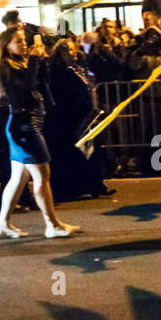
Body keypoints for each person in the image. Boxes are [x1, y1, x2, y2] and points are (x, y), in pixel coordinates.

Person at [0, 26, 79, 238]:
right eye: (18, 41)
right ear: (7, 46)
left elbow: (42, 84)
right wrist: (34, 61)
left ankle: (3, 223)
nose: (24, 44)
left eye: (24, 41)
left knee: (18, 178)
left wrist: (41, 61)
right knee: (42, 176)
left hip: (29, 122)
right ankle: (52, 225)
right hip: (24, 125)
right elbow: (26, 86)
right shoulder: (6, 66)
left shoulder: (23, 63)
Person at [44, 35, 115, 199]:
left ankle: (96, 184)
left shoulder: (78, 69)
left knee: (90, 151)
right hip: (69, 119)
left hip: (85, 117)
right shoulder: (58, 72)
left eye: (73, 49)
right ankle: (73, 188)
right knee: (73, 154)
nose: (73, 53)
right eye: (68, 51)